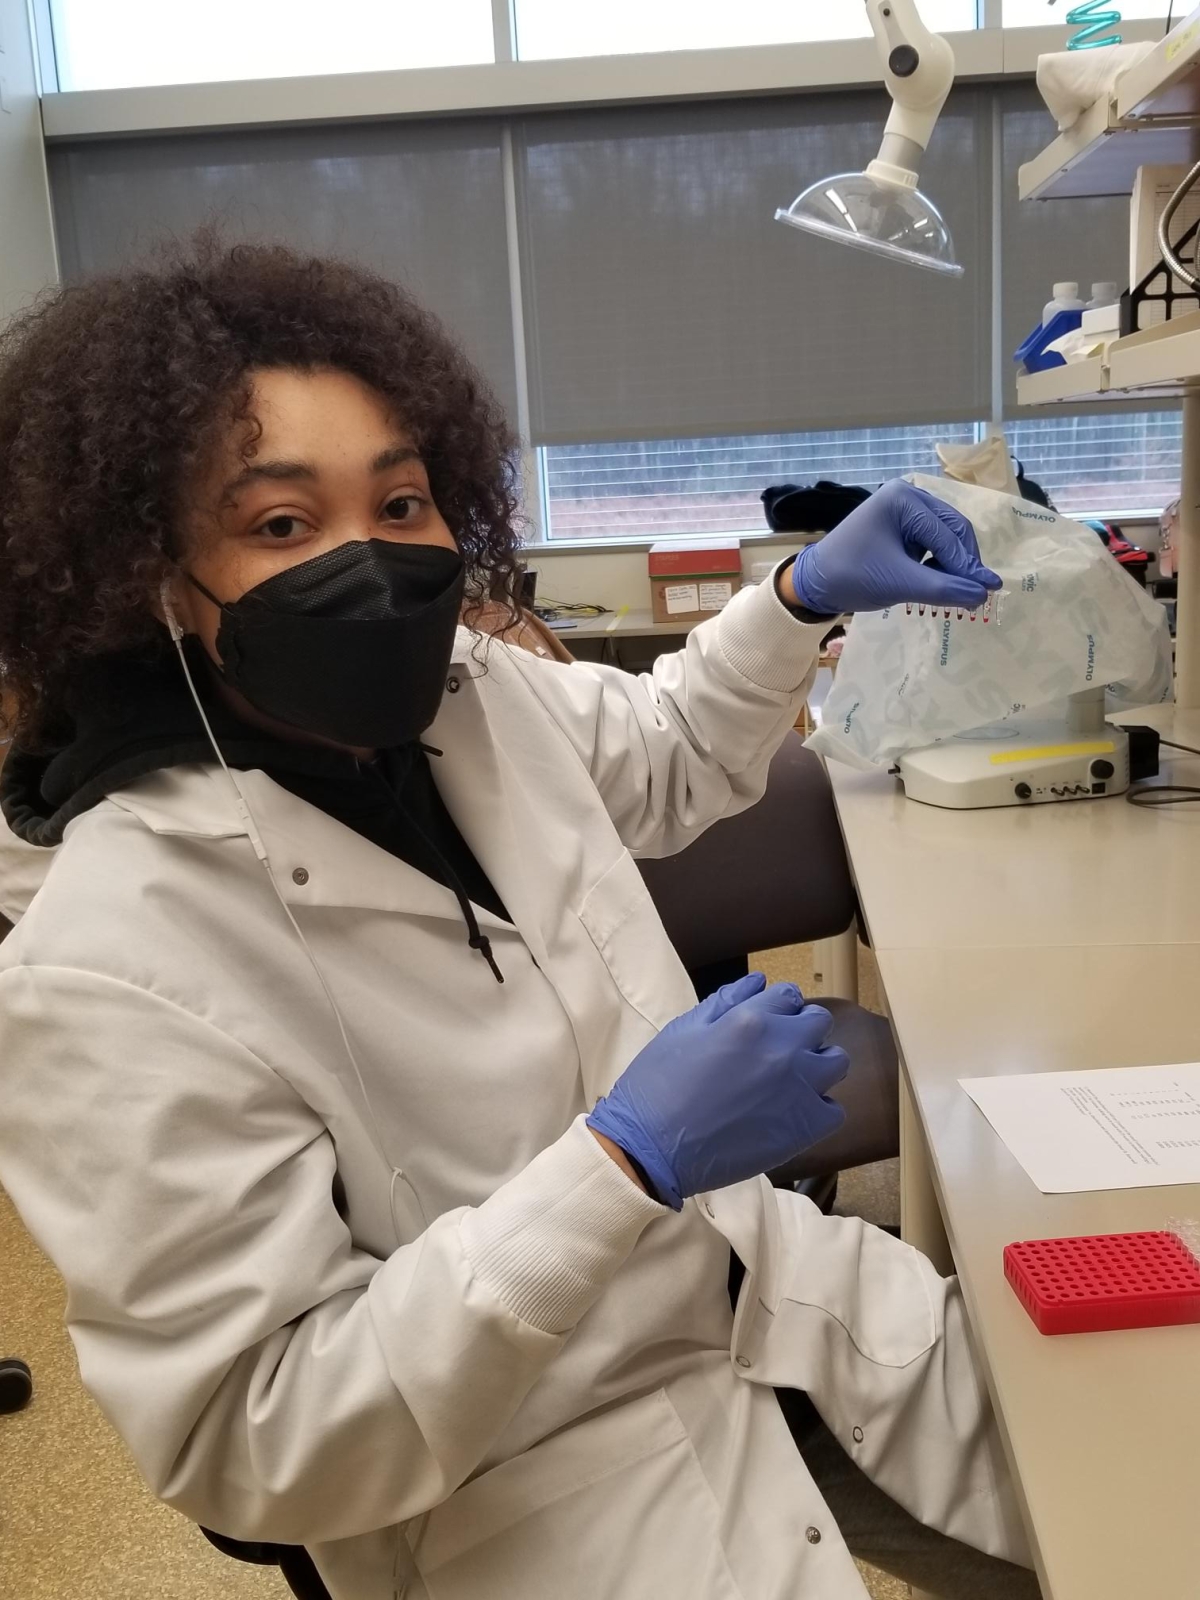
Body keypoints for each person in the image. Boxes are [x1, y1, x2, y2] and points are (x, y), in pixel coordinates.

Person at [0, 240, 1036, 1600]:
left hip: (780, 1298)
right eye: (280, 526)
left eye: (404, 500)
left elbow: (666, 754)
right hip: (537, 1477)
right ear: (148, 574)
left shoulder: (473, 695)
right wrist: (619, 1166)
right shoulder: (105, 959)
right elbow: (259, 1441)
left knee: (1120, 1489)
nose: (369, 565)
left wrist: (797, 602)